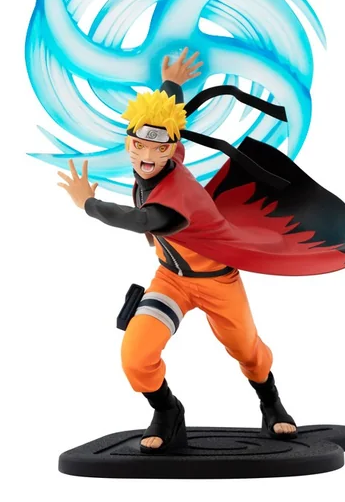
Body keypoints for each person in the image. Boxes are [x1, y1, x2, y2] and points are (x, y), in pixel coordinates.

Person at [57, 49, 297, 453]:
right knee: (136, 356)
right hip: (171, 280)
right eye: (139, 145)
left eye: (159, 149)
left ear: (171, 150)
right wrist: (172, 84)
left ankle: (270, 402)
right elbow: (167, 124)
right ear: (129, 140)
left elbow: (142, 220)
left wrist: (88, 204)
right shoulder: (165, 150)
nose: (147, 157)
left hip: (218, 281)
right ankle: (167, 411)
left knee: (248, 352)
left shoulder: (178, 193)